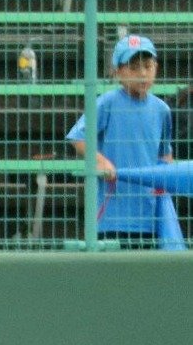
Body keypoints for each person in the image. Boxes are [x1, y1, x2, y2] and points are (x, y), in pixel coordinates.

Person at [66, 34, 175, 250]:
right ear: (117, 71)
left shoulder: (162, 110)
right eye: (134, 67)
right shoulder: (107, 103)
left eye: (148, 66)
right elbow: (77, 138)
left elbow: (165, 155)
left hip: (149, 216)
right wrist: (101, 161)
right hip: (112, 215)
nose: (142, 74)